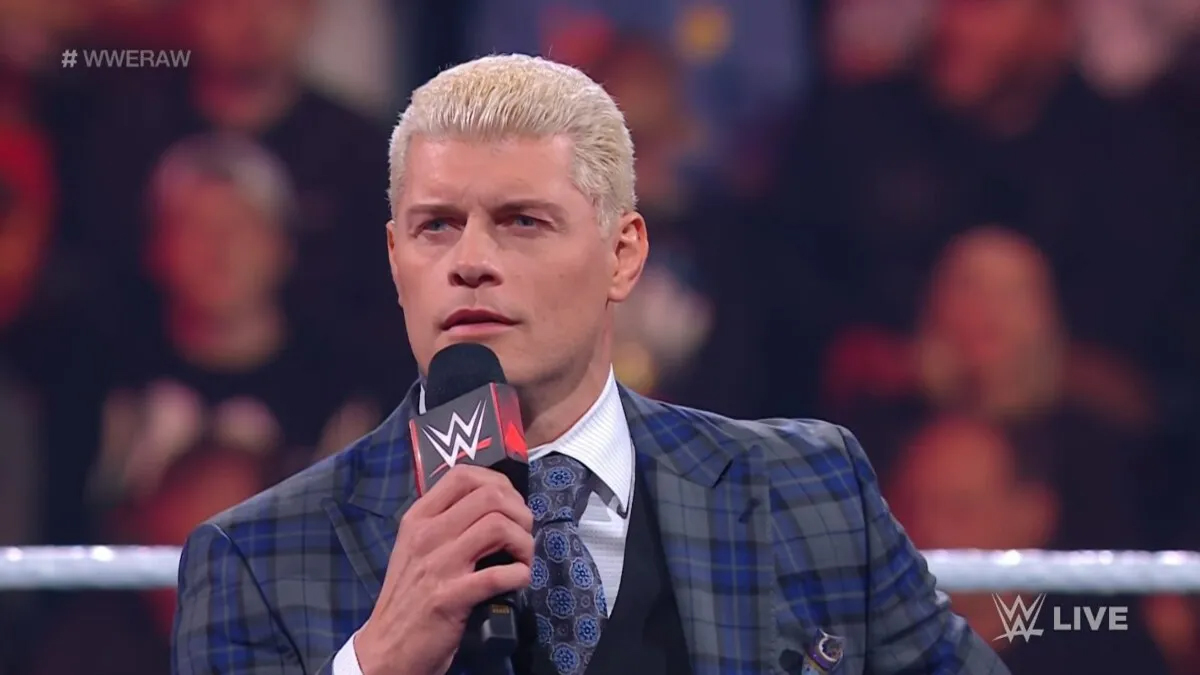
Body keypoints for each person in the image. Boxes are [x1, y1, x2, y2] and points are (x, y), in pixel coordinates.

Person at [171, 54, 1007, 675]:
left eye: (522, 221)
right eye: (436, 226)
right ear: (395, 260)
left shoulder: (812, 492)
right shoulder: (255, 559)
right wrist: (376, 662)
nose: (469, 262)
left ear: (623, 253)